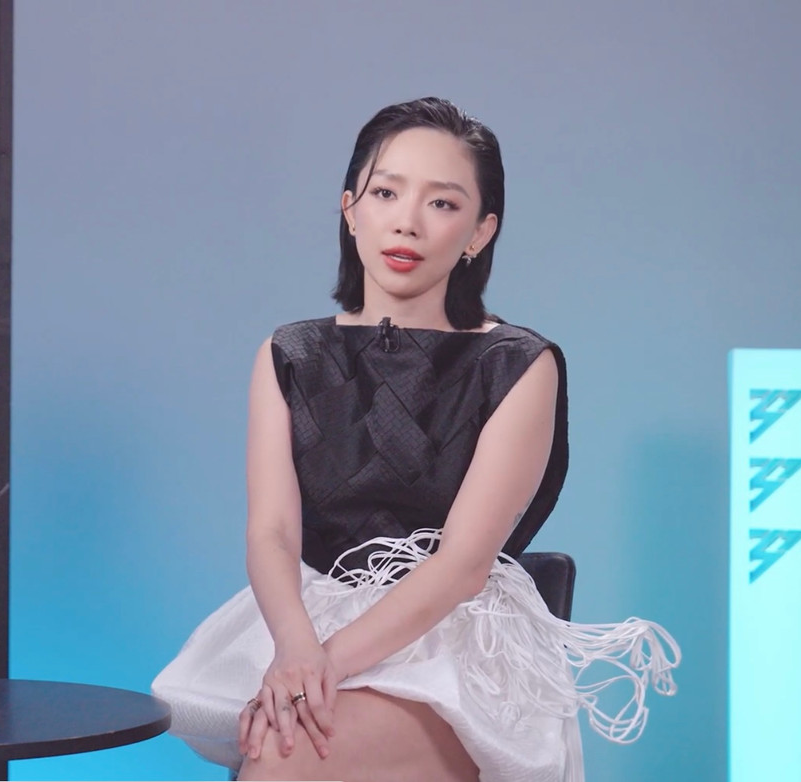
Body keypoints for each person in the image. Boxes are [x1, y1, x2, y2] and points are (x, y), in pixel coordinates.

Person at [151, 97, 679, 782]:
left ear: (480, 231)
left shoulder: (518, 364)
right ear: (350, 209)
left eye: (442, 203)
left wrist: (320, 668)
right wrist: (296, 652)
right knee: (280, 746)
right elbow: (273, 533)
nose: (407, 221)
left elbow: (461, 566)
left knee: (288, 752)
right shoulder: (289, 354)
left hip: (453, 641)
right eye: (386, 192)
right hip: (300, 625)